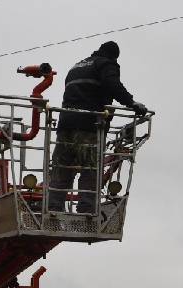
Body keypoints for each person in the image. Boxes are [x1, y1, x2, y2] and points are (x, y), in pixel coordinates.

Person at [47, 41, 149, 214]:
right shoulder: (105, 64)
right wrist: (131, 103)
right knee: (90, 168)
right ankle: (86, 212)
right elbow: (113, 85)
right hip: (88, 126)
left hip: (65, 126)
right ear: (113, 56)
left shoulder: (77, 66)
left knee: (61, 169)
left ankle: (53, 209)